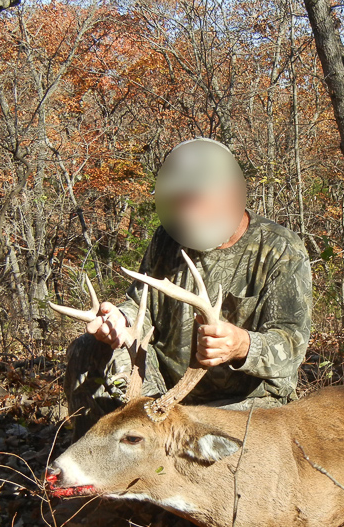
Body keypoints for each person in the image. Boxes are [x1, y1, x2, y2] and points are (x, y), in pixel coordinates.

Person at [64, 138, 313, 440]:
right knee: (88, 348)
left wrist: (240, 344)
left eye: (195, 201)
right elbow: (140, 305)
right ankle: (87, 466)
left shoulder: (279, 248)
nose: (186, 213)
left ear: (229, 193)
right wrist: (121, 321)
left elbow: (291, 347)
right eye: (178, 203)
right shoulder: (168, 239)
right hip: (165, 396)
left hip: (248, 404)